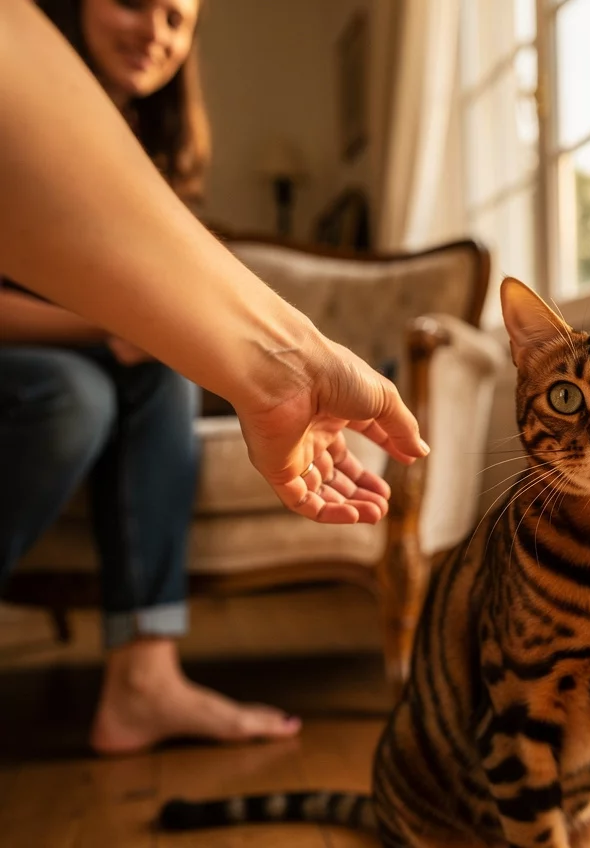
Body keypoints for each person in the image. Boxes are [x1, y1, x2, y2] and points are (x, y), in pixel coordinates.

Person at [0, 0, 429, 755]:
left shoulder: (153, 150)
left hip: (94, 361)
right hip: (34, 358)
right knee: (77, 396)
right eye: (133, 2)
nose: (156, 33)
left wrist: (277, 363)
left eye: (178, 18)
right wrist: (110, 326)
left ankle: (145, 677)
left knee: (153, 375)